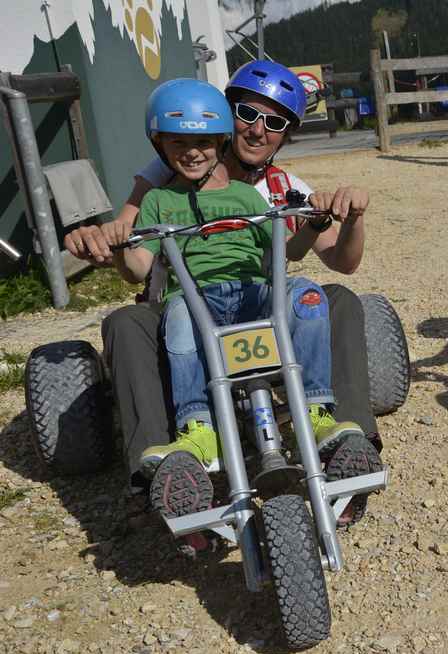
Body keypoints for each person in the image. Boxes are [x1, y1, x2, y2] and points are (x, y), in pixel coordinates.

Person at [64, 61, 381, 526]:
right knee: (127, 323)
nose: (257, 131)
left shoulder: (277, 188)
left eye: (274, 123)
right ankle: (163, 476)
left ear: (285, 134)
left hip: (255, 294)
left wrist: (347, 216)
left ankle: (343, 444)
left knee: (335, 299)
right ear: (222, 115)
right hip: (186, 301)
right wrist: (100, 239)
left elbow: (335, 260)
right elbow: (131, 242)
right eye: (247, 115)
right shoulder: (164, 176)